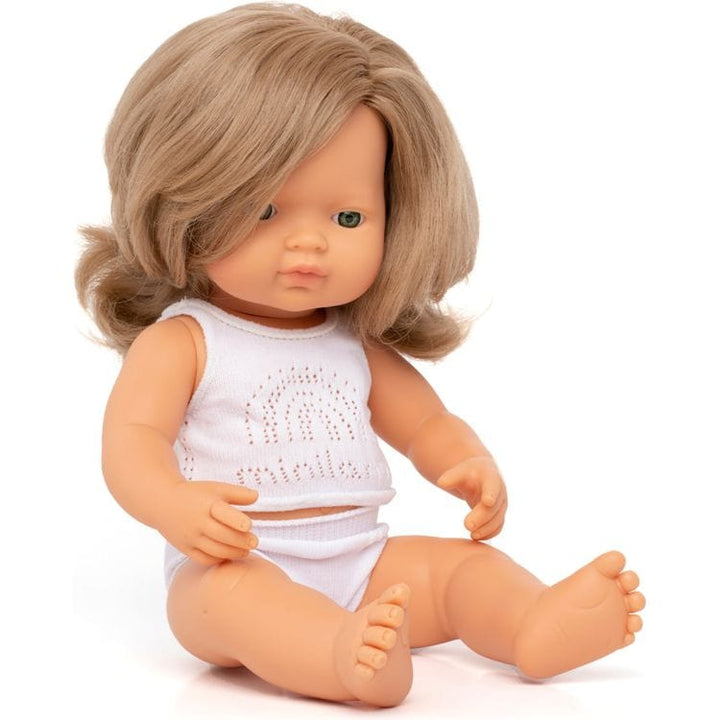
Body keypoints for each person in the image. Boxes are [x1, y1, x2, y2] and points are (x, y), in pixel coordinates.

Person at [76, 3, 644, 707]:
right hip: (233, 562)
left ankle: (531, 623)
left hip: (363, 560)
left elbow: (424, 422)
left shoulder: (351, 344)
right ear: (188, 201)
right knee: (234, 603)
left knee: (460, 570)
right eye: (264, 210)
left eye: (347, 218)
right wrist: (170, 503)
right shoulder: (186, 342)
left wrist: (466, 461)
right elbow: (131, 442)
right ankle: (339, 659)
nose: (309, 243)